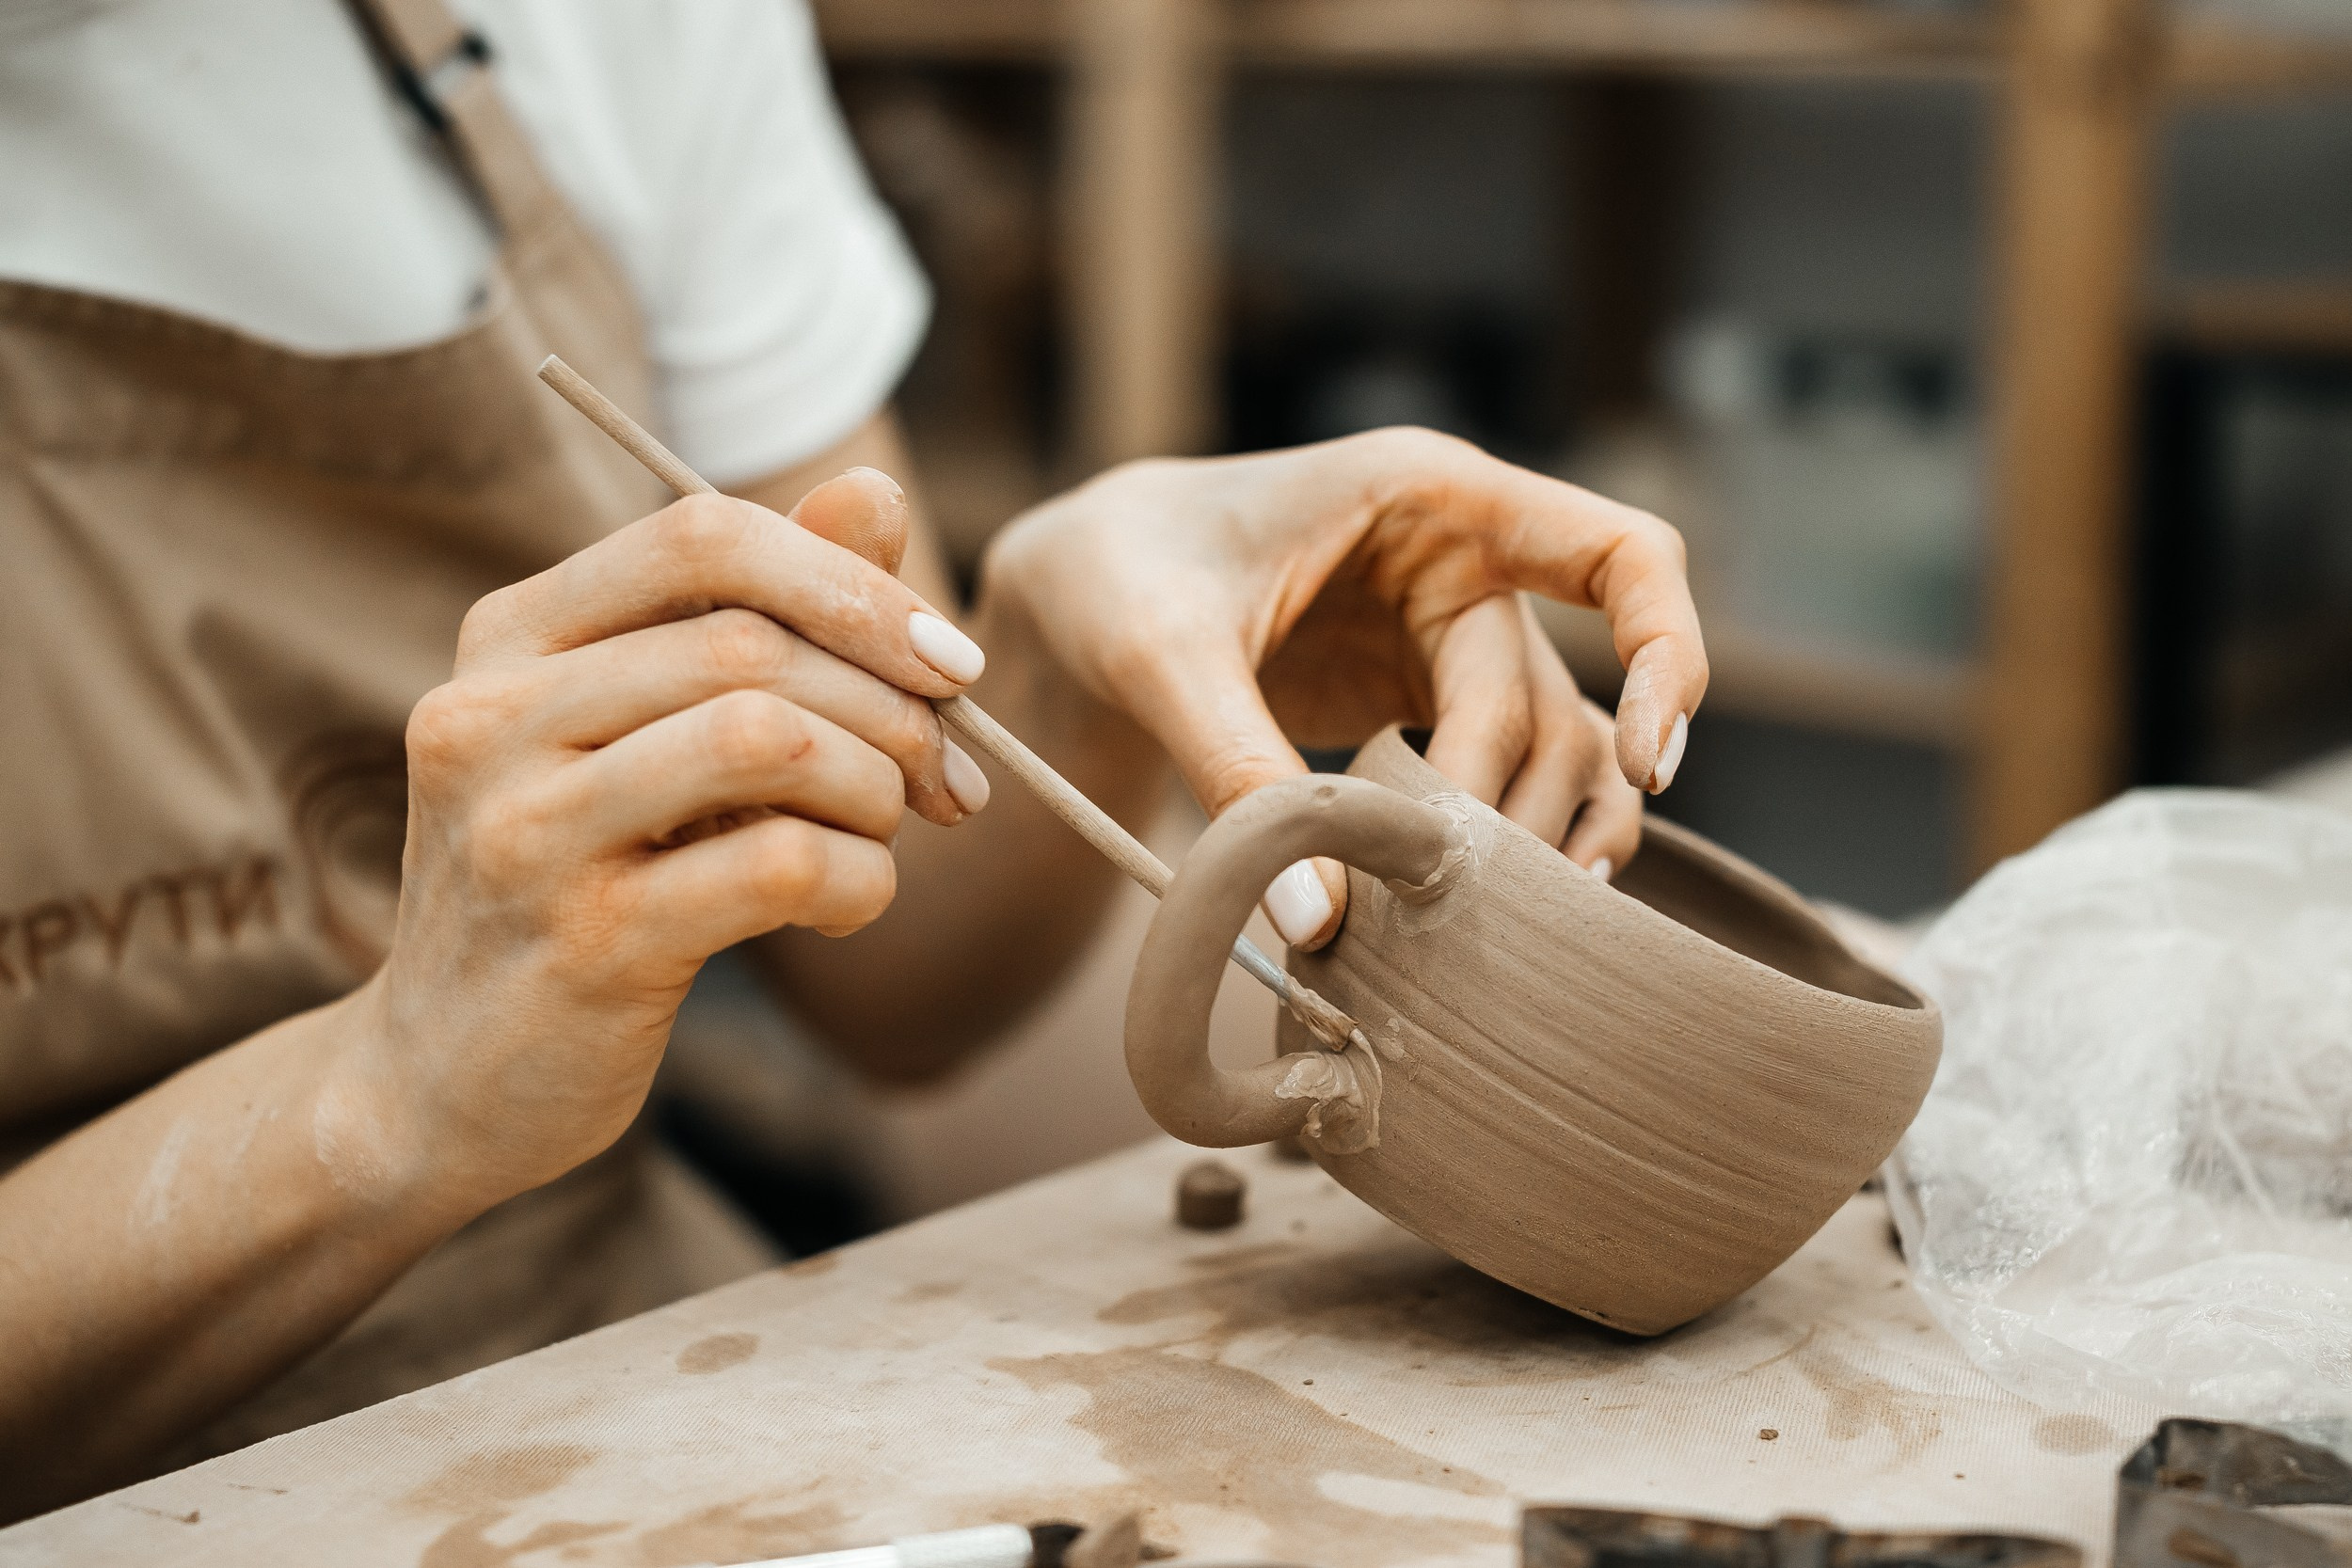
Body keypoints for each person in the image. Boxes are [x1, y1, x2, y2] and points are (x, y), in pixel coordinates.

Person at [0, 0, 1708, 1518]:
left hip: (592, 1357)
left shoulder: (608, 24)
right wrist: (385, 1099)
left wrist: (1062, 665)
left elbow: (892, 983)